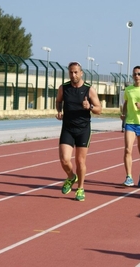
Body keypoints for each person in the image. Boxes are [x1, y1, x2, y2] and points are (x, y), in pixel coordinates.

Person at [55, 61, 102, 201]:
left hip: (83, 129)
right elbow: (58, 101)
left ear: (81, 73)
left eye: (76, 72)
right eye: (71, 72)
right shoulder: (63, 87)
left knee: (80, 161)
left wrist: (90, 107)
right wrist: (59, 111)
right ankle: (71, 177)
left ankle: (80, 188)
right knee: (64, 160)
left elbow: (99, 109)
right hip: (67, 128)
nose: (73, 75)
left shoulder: (89, 89)